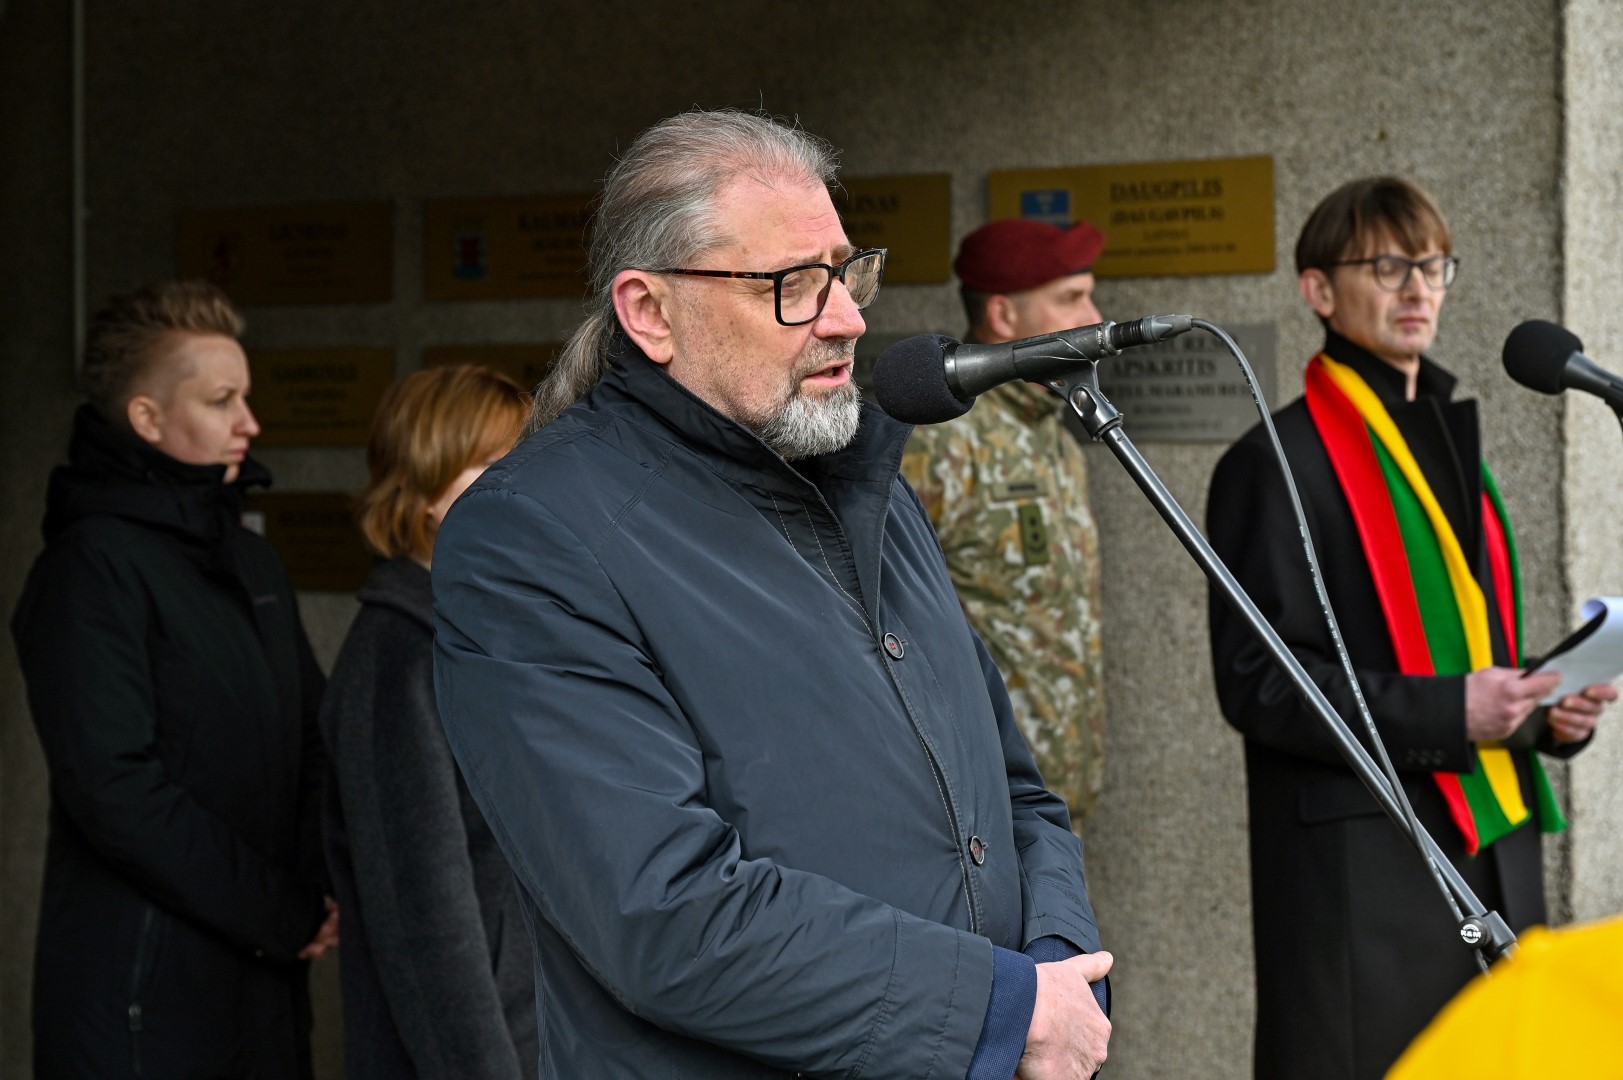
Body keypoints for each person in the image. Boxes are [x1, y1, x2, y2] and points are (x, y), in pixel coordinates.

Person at [433, 109, 1112, 1080]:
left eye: (844, 271)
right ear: (649, 311)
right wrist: (999, 1012)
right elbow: (662, 913)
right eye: (790, 284)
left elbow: (1014, 793)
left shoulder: (869, 485)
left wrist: (1058, 969)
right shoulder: (534, 535)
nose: (846, 318)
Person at [1205, 176, 1617, 1080]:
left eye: (1432, 267)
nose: (1418, 289)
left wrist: (1546, 708)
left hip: (1490, 843)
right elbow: (1260, 683)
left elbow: (1466, 656)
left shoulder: (1446, 447)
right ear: (1318, 290)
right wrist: (1451, 710)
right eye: (1387, 267)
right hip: (1367, 873)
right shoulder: (1273, 462)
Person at [12, 281, 336, 1079]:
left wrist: (318, 887)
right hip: (143, 994)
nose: (249, 424)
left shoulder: (250, 561)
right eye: (222, 401)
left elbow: (310, 732)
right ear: (147, 419)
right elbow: (115, 788)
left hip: (261, 982)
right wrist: (279, 911)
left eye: (246, 398)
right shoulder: (90, 569)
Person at [320, 363, 536, 1080]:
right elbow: (426, 924)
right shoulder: (397, 660)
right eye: (492, 468)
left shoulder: (485, 629)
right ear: (422, 489)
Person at [900, 219, 1108, 823]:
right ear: (1002, 314)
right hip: (982, 800)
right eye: (1071, 298)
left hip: (1060, 794)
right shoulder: (940, 443)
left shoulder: (1054, 435)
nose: (1094, 316)